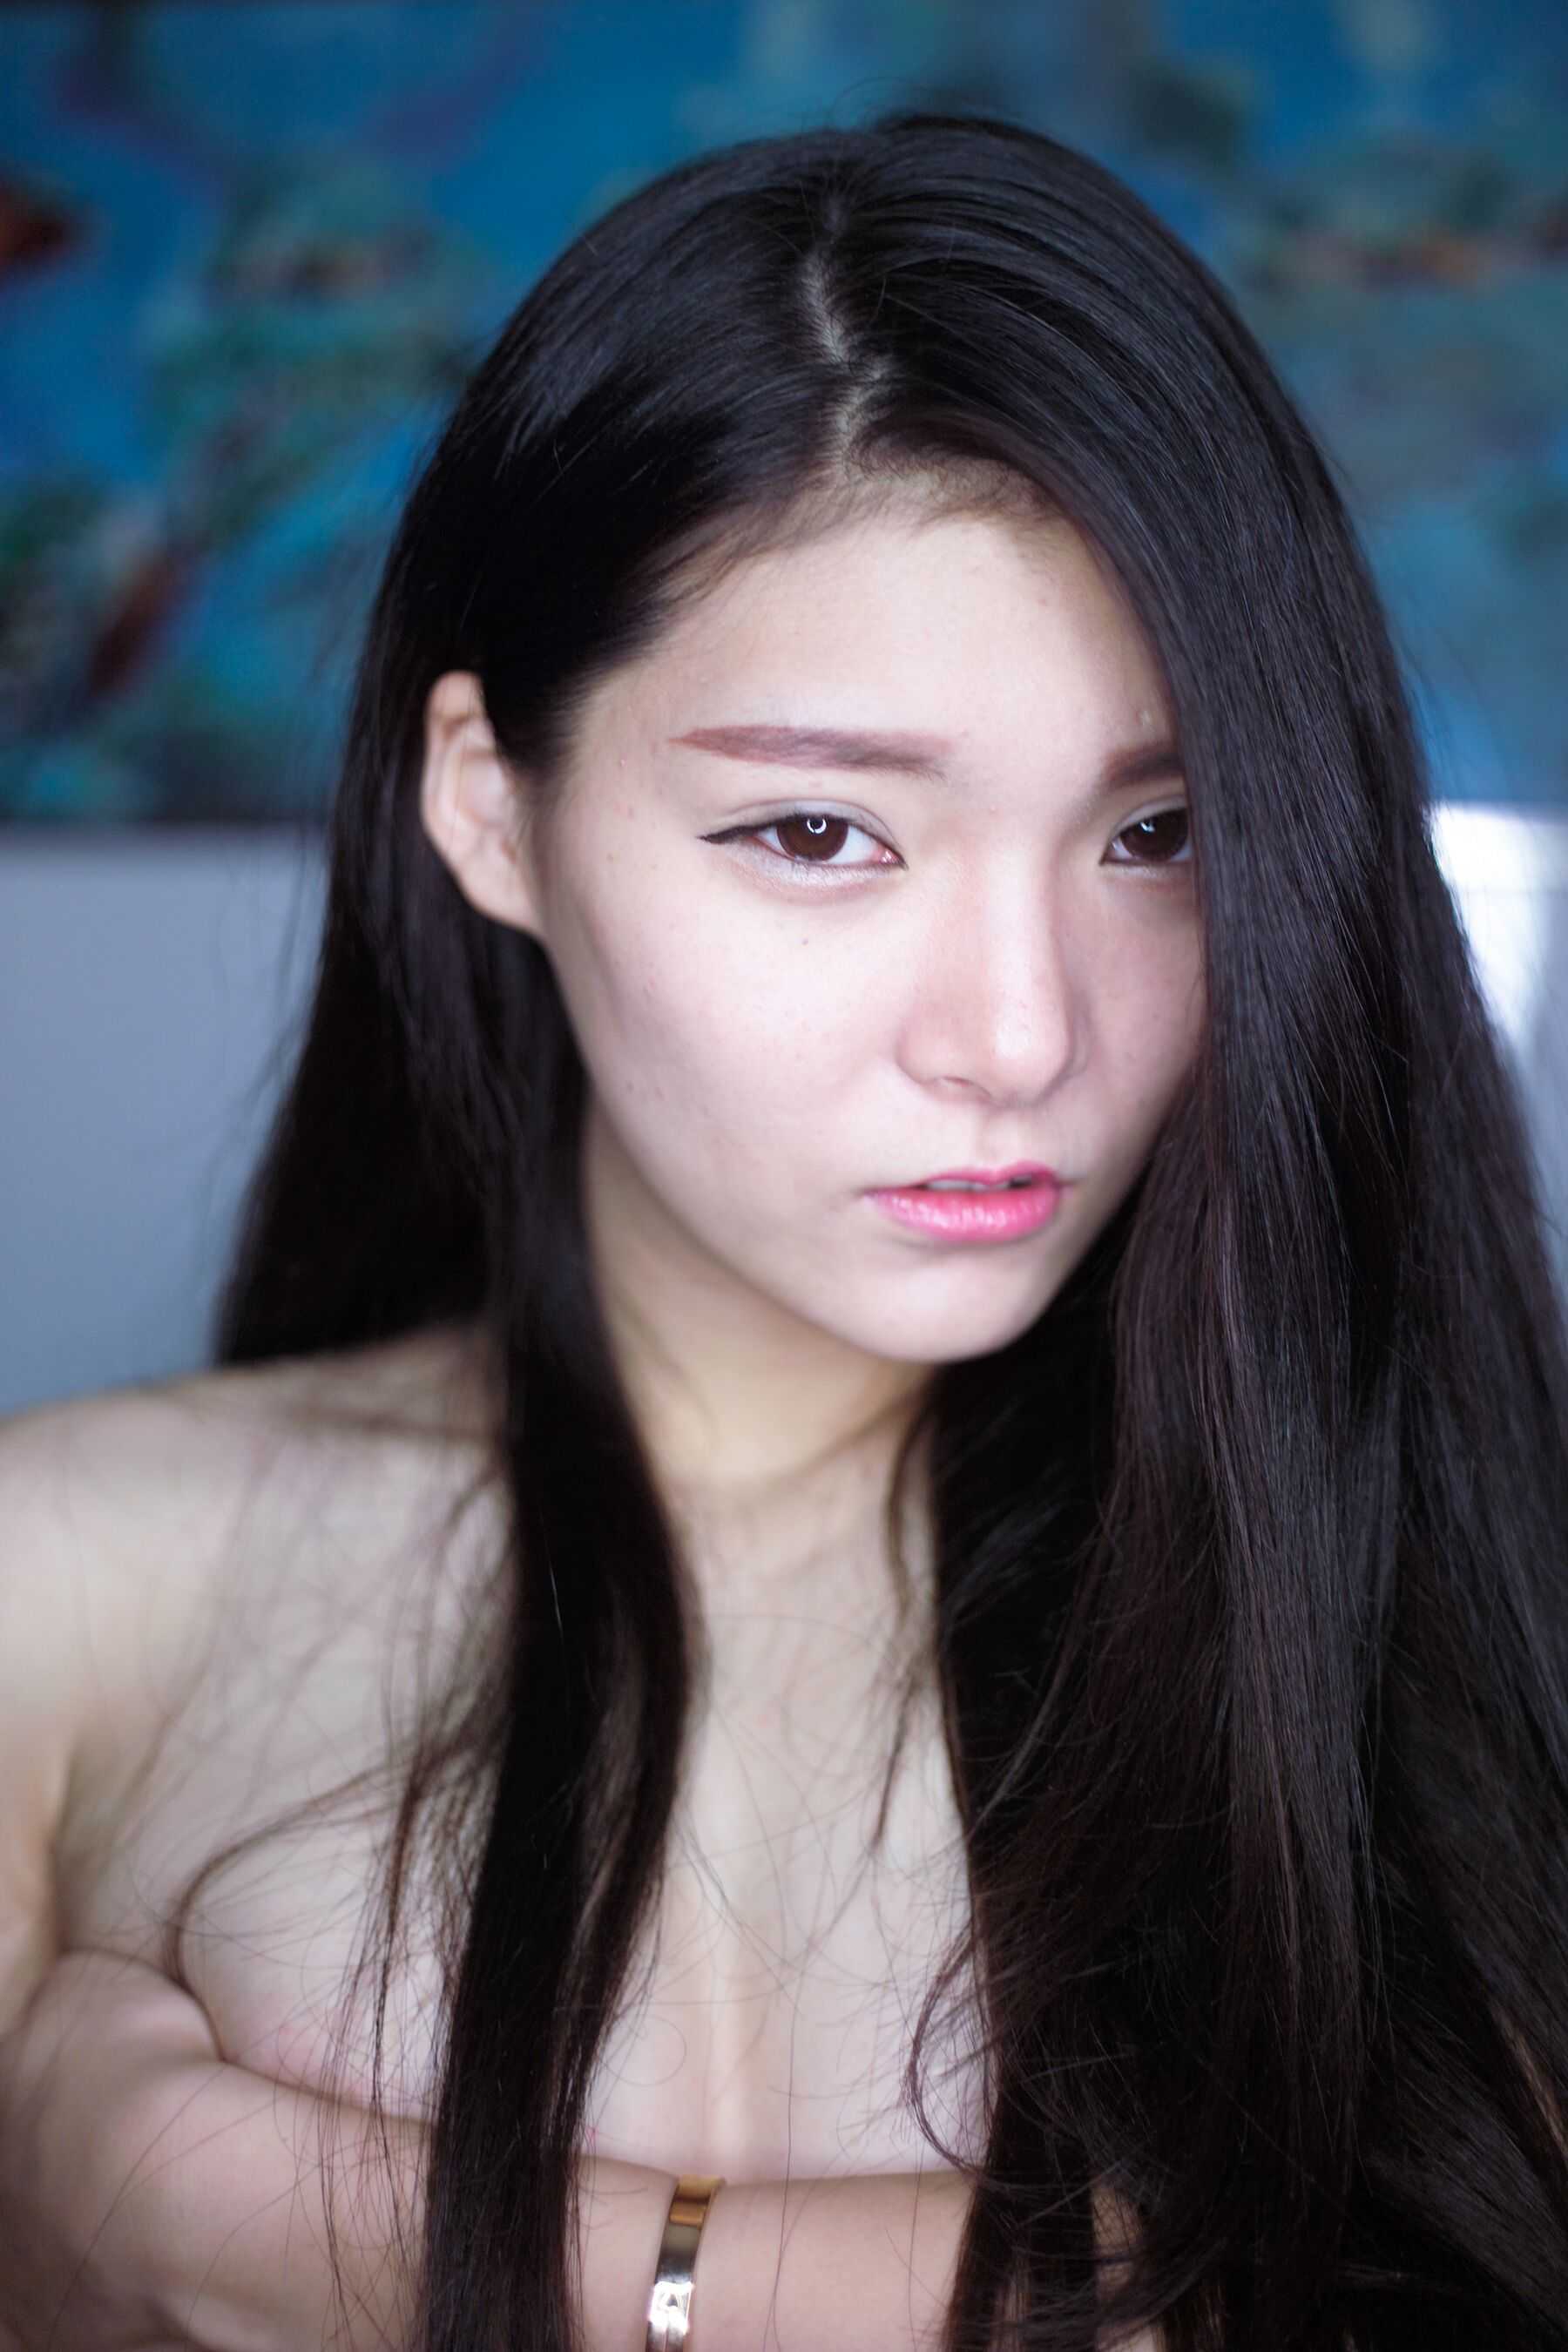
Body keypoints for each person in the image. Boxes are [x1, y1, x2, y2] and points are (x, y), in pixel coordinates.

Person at [2, 106, 1566, 2352]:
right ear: (492, 811)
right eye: (822, 833)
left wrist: (242, 2214)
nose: (1019, 1036)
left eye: (1158, 834)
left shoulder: (1431, 1581)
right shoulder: (61, 1581)